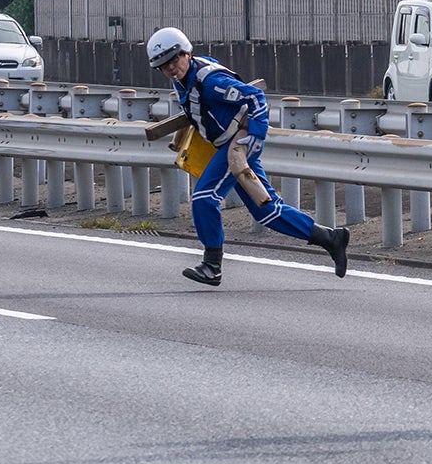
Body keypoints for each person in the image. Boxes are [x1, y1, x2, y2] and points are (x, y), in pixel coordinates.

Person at [147, 26, 351, 286]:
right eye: (164, 66)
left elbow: (255, 97)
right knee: (267, 211)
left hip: (239, 142)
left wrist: (255, 135)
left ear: (187, 53)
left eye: (174, 59)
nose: (171, 68)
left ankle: (212, 265)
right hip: (227, 142)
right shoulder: (184, 80)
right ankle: (331, 238)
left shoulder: (210, 82)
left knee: (204, 197)